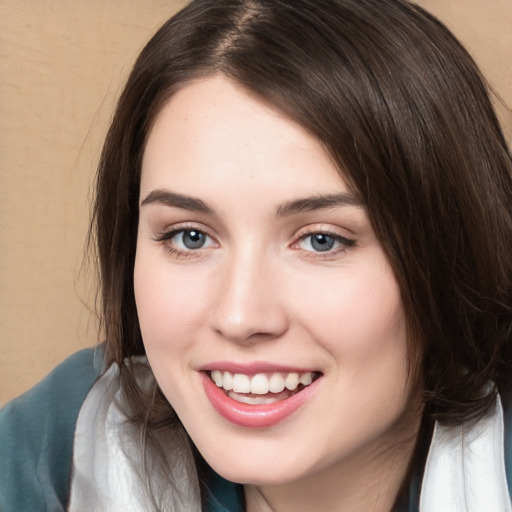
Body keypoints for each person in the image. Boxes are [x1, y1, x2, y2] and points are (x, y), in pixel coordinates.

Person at [1, 0, 511, 510]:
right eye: (190, 236)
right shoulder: (53, 448)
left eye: (321, 240)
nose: (240, 317)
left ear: (451, 252)